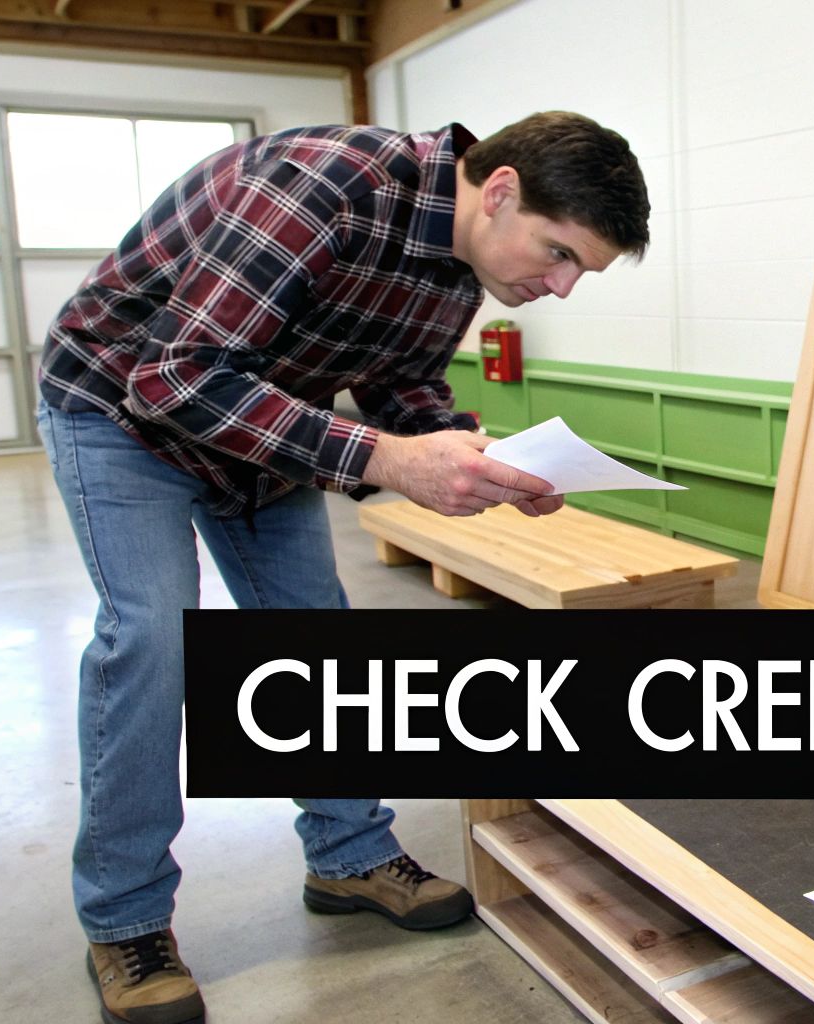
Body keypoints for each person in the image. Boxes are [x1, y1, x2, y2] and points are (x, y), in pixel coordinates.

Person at [38, 111, 650, 1024]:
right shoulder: (324, 184)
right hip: (120, 409)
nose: (559, 287)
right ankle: (125, 920)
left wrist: (467, 455)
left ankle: (349, 856)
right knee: (155, 640)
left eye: (580, 273)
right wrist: (388, 459)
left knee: (312, 639)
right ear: (499, 190)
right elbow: (177, 376)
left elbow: (401, 382)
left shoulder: (468, 259)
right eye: (558, 253)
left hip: (261, 423)